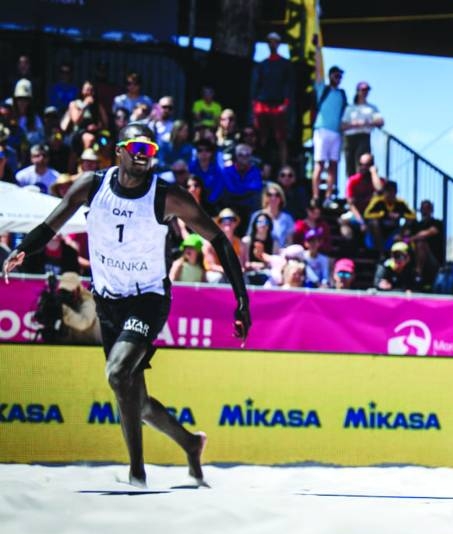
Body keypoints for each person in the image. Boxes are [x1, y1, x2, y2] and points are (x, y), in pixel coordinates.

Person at [3, 122, 250, 487]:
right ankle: (190, 443)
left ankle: (137, 473)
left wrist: (241, 300)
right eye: (135, 147)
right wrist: (22, 249)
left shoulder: (167, 196)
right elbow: (51, 224)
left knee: (118, 374)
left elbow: (220, 240)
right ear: (119, 150)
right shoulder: (92, 185)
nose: (141, 155)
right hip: (107, 300)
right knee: (136, 397)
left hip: (148, 298)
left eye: (149, 149)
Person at [312, 34, 348, 203]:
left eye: (340, 76)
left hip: (336, 133)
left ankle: (328, 197)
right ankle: (315, 196)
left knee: (333, 165)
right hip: (322, 130)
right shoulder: (322, 89)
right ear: (330, 76)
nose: (338, 78)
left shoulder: (342, 94)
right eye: (335, 75)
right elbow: (318, 70)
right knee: (319, 164)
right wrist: (318, 49)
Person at [252, 32, 293, 166]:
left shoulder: (285, 64)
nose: (272, 44)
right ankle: (261, 165)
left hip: (278, 105)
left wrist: (285, 103)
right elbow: (257, 85)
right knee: (262, 137)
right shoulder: (262, 64)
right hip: (263, 104)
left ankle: (283, 167)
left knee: (281, 138)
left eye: (275, 41)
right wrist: (256, 104)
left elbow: (288, 84)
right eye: (270, 41)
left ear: (279, 44)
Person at [341, 81, 384, 177]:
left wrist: (366, 123)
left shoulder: (372, 108)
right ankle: (351, 187)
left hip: (364, 137)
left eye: (367, 90)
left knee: (362, 163)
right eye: (363, 90)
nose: (365, 92)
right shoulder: (350, 108)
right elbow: (343, 125)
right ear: (358, 91)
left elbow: (380, 122)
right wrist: (355, 124)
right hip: (350, 138)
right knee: (350, 165)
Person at [363, 180, 415, 256]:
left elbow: (413, 216)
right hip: (379, 231)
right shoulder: (378, 201)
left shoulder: (401, 202)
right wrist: (383, 214)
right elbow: (366, 214)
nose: (391, 194)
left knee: (409, 222)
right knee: (374, 223)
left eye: (393, 192)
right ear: (384, 192)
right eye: (388, 191)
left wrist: (400, 215)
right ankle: (381, 252)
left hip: (393, 231)